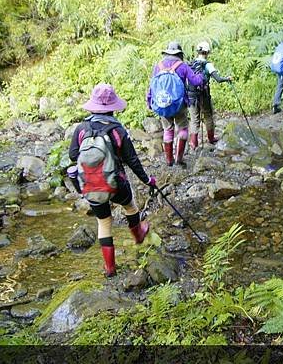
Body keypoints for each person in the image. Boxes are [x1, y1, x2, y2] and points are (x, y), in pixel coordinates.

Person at [69, 83, 157, 277]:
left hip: (92, 186)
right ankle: (138, 234)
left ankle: (109, 268)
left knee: (104, 222)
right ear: (112, 108)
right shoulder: (118, 130)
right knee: (130, 207)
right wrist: (147, 180)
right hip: (116, 183)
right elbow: (132, 160)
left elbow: (73, 155)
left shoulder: (82, 128)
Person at [147, 41, 205, 166]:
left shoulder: (159, 65)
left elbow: (152, 86)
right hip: (179, 104)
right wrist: (202, 76)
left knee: (168, 129)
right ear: (179, 53)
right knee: (183, 128)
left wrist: (150, 101)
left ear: (167, 52)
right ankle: (179, 159)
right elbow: (195, 81)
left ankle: (169, 160)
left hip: (162, 104)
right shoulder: (182, 66)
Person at [187, 41, 233, 149]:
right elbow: (218, 79)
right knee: (208, 115)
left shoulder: (190, 64)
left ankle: (194, 143)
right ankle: (211, 138)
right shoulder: (208, 65)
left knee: (194, 119)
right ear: (207, 52)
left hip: (191, 96)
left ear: (198, 51)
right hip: (204, 95)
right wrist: (227, 79)